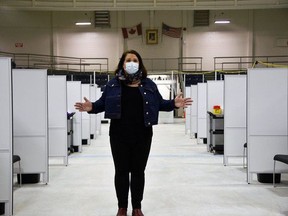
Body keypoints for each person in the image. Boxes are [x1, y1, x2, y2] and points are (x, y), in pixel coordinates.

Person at [74, 50, 192, 216]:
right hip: (118, 135)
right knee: (121, 171)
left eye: (135, 60)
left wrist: (174, 103)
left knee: (138, 171)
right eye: (128, 60)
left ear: (139, 63)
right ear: (122, 63)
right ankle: (122, 207)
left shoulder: (149, 84)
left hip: (143, 135)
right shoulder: (112, 84)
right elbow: (101, 104)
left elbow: (160, 104)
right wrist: (91, 107)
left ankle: (137, 207)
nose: (131, 62)